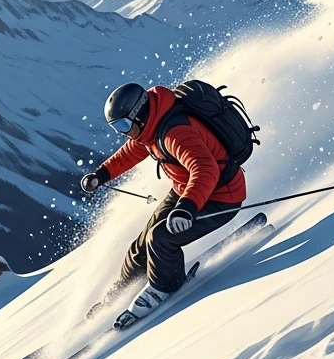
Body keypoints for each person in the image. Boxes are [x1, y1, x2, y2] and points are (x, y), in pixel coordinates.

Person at [81, 82, 247, 327]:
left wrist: (187, 207)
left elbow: (205, 169)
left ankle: (164, 286)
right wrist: (102, 174)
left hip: (221, 197)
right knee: (142, 244)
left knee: (160, 238)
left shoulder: (174, 133)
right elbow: (130, 152)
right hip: (186, 192)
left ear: (138, 114)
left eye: (124, 125)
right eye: (117, 128)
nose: (123, 132)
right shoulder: (150, 127)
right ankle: (123, 289)